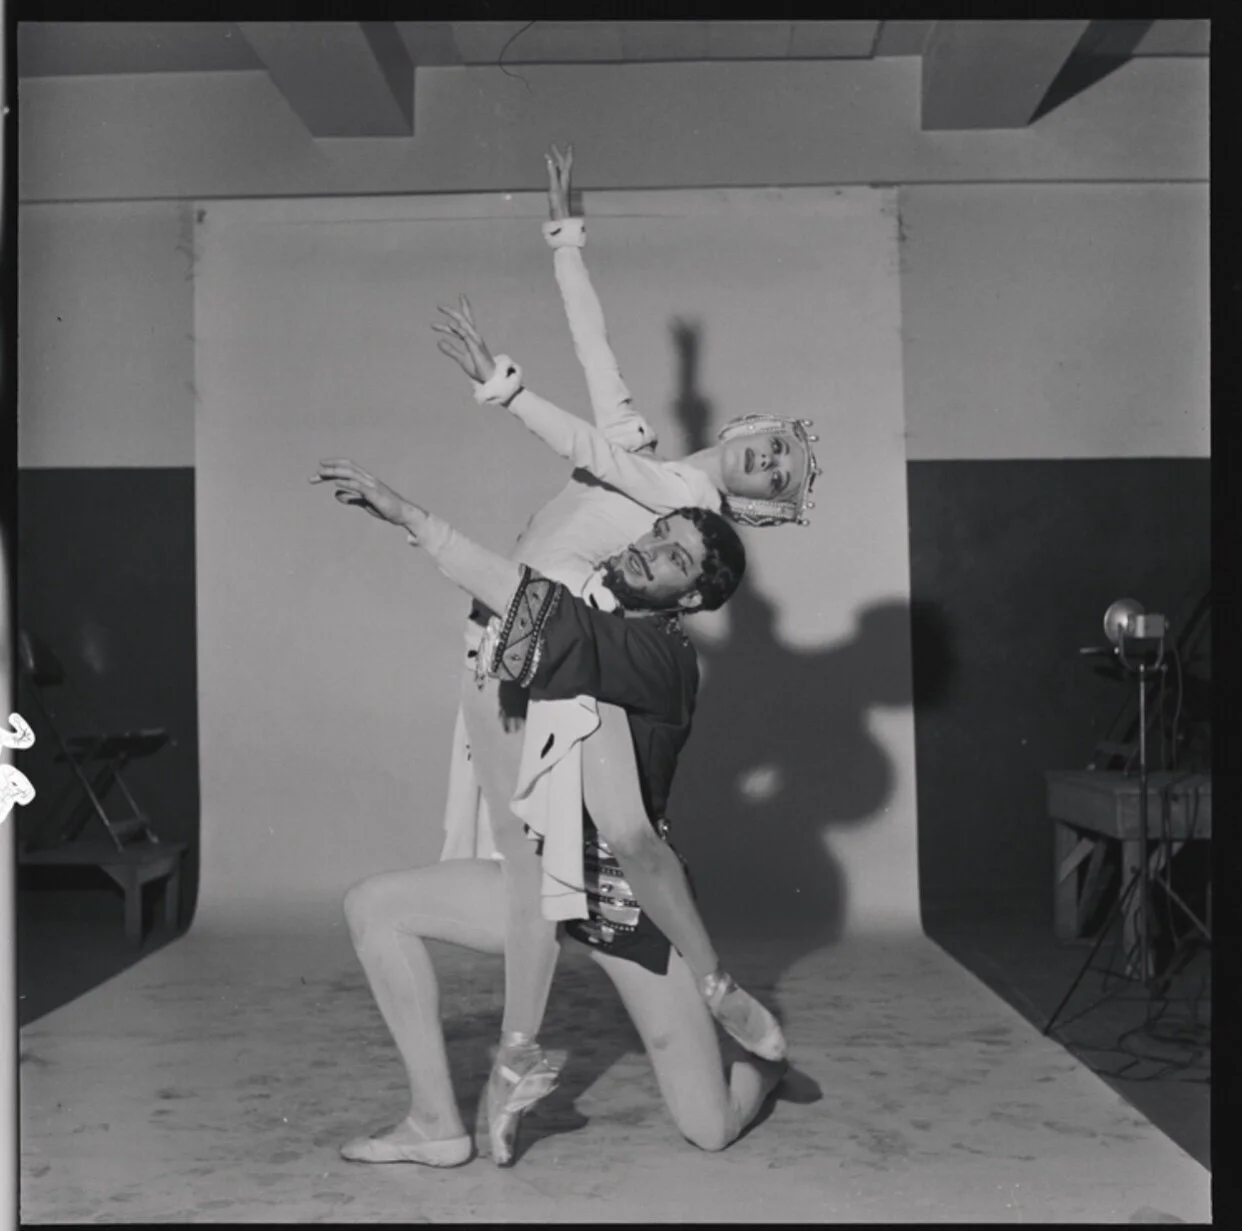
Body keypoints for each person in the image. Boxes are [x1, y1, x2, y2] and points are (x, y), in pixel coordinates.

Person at [426, 146, 821, 1147]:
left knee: (542, 863)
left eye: (776, 473)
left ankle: (522, 1065)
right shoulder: (654, 450)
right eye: (771, 442)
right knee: (530, 863)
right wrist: (566, 237)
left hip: (547, 651)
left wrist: (504, 387)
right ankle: (533, 1052)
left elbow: (591, 456)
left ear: (764, 506)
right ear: (751, 422)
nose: (764, 460)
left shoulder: (682, 500)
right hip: (504, 635)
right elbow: (596, 349)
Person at [311, 459, 788, 1164]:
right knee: (372, 907)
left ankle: (766, 1070)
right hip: (540, 890)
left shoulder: (662, 658)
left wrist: (418, 520)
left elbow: (536, 609)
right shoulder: (595, 604)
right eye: (659, 532)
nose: (651, 549)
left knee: (709, 1127)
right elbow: (532, 599)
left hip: (627, 907)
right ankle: (435, 1122)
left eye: (675, 558)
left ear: (688, 599)